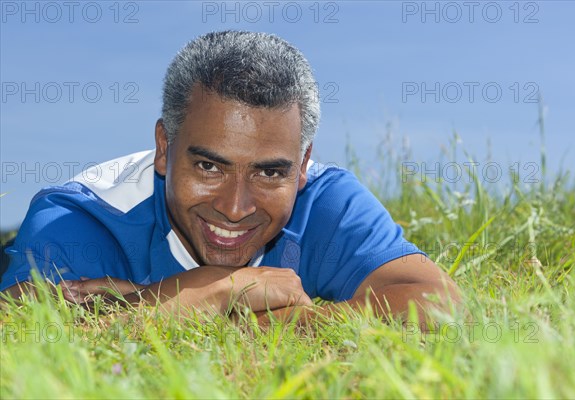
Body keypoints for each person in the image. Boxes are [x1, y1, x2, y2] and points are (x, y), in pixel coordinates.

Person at [1, 31, 459, 325]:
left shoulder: (326, 200)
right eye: (208, 166)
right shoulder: (81, 215)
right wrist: (211, 293)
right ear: (164, 147)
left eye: (270, 172)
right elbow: (18, 329)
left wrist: (268, 320)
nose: (235, 207)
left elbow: (443, 306)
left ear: (301, 167)